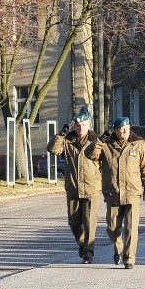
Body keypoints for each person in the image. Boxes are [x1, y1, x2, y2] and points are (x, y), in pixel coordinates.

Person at [93, 117, 145, 269]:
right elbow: (91, 156)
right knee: (112, 228)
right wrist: (100, 141)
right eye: (121, 128)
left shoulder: (139, 145)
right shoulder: (106, 146)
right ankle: (118, 247)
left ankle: (129, 259)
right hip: (113, 193)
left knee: (131, 228)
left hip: (132, 192)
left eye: (126, 127)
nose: (125, 130)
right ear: (114, 130)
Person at [47, 112, 102, 264]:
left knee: (89, 222)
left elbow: (105, 160)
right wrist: (60, 135)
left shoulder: (96, 140)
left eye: (83, 125)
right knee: (74, 223)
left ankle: (88, 254)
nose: (80, 128)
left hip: (91, 188)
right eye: (78, 126)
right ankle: (82, 244)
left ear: (88, 126)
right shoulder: (68, 141)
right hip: (73, 188)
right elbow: (52, 149)